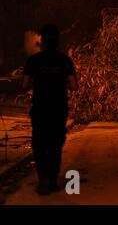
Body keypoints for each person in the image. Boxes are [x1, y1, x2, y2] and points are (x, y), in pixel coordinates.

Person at [23, 24, 78, 195]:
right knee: (55, 142)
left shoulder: (33, 61)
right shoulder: (65, 60)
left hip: (40, 108)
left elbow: (24, 85)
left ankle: (43, 179)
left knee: (39, 143)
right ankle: (53, 179)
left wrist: (38, 80)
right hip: (59, 107)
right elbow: (74, 86)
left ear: (43, 42)